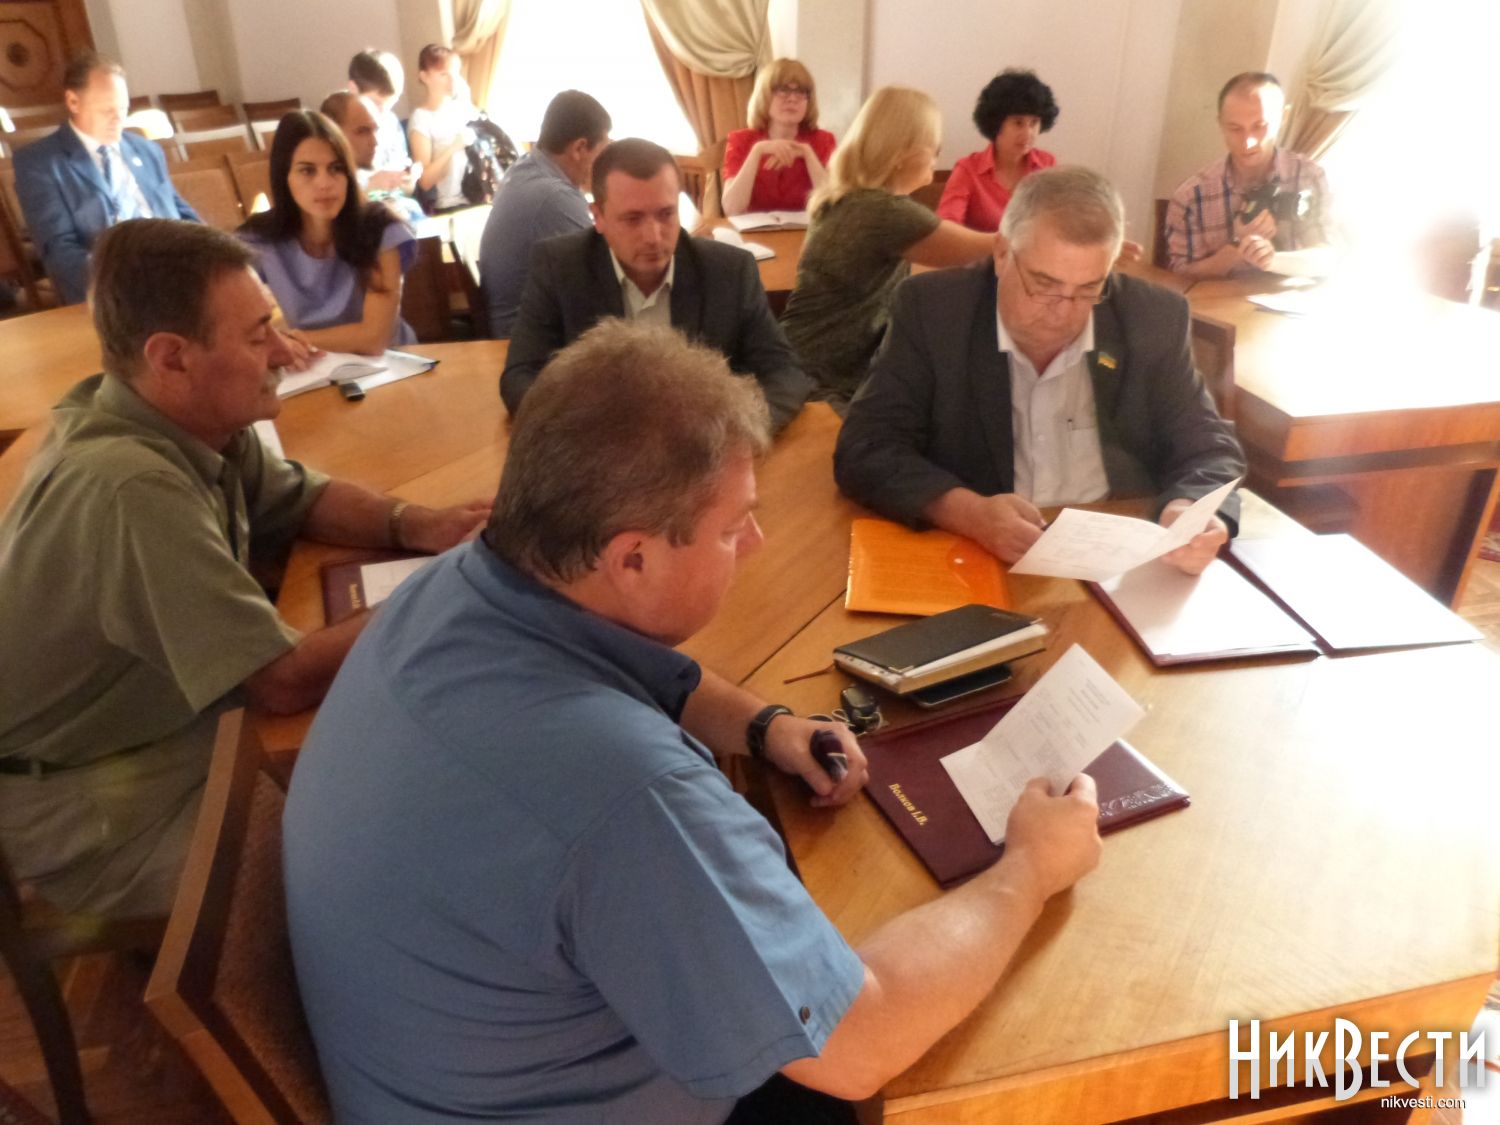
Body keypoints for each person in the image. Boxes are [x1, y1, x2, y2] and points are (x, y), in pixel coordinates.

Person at [285, 317, 1103, 1122]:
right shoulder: (628, 796)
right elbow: (860, 1040)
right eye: (733, 525)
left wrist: (761, 724)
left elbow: (627, 666)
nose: (755, 542)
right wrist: (1030, 867)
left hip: (456, 1061)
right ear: (633, 557)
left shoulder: (456, 582)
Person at [0, 219, 488, 920]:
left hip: (161, 733)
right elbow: (281, 681)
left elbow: (298, 496)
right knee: (392, 842)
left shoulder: (171, 416)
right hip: (90, 806)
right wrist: (456, 585)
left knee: (410, 758)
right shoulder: (130, 486)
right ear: (172, 358)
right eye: (259, 335)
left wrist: (422, 524)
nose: (286, 352)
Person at [836, 166, 1245, 574]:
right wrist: (969, 513)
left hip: (1122, 554)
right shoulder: (935, 311)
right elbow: (866, 447)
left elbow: (1208, 445)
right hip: (982, 556)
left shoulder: (1152, 316)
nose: (1063, 312)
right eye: (1044, 284)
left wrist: (1188, 509)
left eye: (1088, 289)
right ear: (1002, 254)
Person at [501, 138, 811, 431]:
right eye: (632, 219)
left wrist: (735, 433)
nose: (653, 236)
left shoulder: (730, 271)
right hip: (600, 448)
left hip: (703, 448)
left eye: (666, 214)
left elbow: (785, 373)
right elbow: (520, 377)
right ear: (598, 217)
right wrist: (582, 436)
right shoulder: (559, 266)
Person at [779, 87, 996, 405]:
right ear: (902, 152)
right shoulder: (884, 212)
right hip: (818, 383)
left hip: (796, 364)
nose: (937, 154)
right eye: (933, 144)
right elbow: (992, 248)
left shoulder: (846, 197)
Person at [14, 52, 200, 306]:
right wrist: (125, 283)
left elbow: (181, 212)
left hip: (177, 271)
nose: (118, 120)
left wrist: (212, 253)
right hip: (114, 289)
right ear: (73, 102)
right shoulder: (41, 163)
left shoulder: (147, 150)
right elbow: (59, 250)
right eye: (107, 110)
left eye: (123, 109)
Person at [238, 110, 418, 355]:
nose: (324, 183)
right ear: (284, 176)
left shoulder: (381, 228)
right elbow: (238, 329)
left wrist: (290, 341)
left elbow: (374, 338)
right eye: (307, 170)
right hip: (312, 364)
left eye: (335, 168)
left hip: (392, 362)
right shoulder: (257, 240)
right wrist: (283, 343)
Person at [1164, 72, 1333, 279]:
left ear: (1284, 117)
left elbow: (1327, 258)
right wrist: (1237, 246)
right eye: (1235, 129)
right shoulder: (1191, 196)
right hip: (1217, 300)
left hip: (1286, 298)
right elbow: (1180, 277)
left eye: (1260, 126)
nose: (1248, 142)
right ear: (1220, 124)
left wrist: (1272, 260)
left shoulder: (1308, 176)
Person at [478, 90, 611, 338]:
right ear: (580, 148)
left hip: (516, 323)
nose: (604, 165)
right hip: (526, 339)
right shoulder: (554, 196)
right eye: (602, 153)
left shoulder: (525, 168)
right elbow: (603, 276)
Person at [937, 69, 1059, 232]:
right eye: (1018, 123)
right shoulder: (968, 170)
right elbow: (948, 228)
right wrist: (994, 243)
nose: (1028, 133)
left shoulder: (1047, 164)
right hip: (979, 249)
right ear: (996, 123)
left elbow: (1058, 222)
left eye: (1034, 122)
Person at [721, 58, 835, 217]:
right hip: (755, 231)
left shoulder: (823, 141)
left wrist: (808, 154)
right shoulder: (741, 140)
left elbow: (832, 207)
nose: (792, 99)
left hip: (808, 230)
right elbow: (732, 209)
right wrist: (757, 151)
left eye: (801, 92)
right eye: (783, 90)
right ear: (764, 97)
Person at [319, 90, 425, 223]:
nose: (375, 141)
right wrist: (370, 187)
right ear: (333, 134)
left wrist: (404, 187)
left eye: (375, 129)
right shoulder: (323, 184)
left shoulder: (365, 173)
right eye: (362, 131)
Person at [408, 43, 475, 212]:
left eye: (455, 73)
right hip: (450, 205)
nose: (452, 80)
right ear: (424, 77)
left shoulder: (464, 109)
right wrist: (454, 147)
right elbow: (425, 181)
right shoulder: (421, 118)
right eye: (443, 74)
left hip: (479, 195)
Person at [347, 48, 415, 189]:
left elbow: (405, 187)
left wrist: (406, 182)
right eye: (376, 103)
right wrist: (371, 184)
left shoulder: (391, 121)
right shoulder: (340, 128)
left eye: (390, 104)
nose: (382, 113)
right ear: (353, 88)